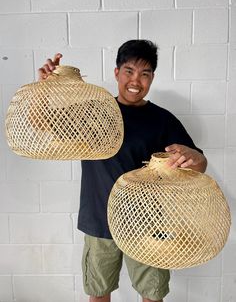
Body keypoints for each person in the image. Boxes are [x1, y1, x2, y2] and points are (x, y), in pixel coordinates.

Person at [38, 40, 207, 302]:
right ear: (117, 72)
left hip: (150, 224)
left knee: (152, 295)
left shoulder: (163, 120)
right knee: (98, 294)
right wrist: (44, 87)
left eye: (145, 74)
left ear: (152, 78)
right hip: (100, 220)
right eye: (129, 71)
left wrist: (195, 157)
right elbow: (42, 123)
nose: (136, 81)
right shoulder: (93, 111)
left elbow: (199, 165)